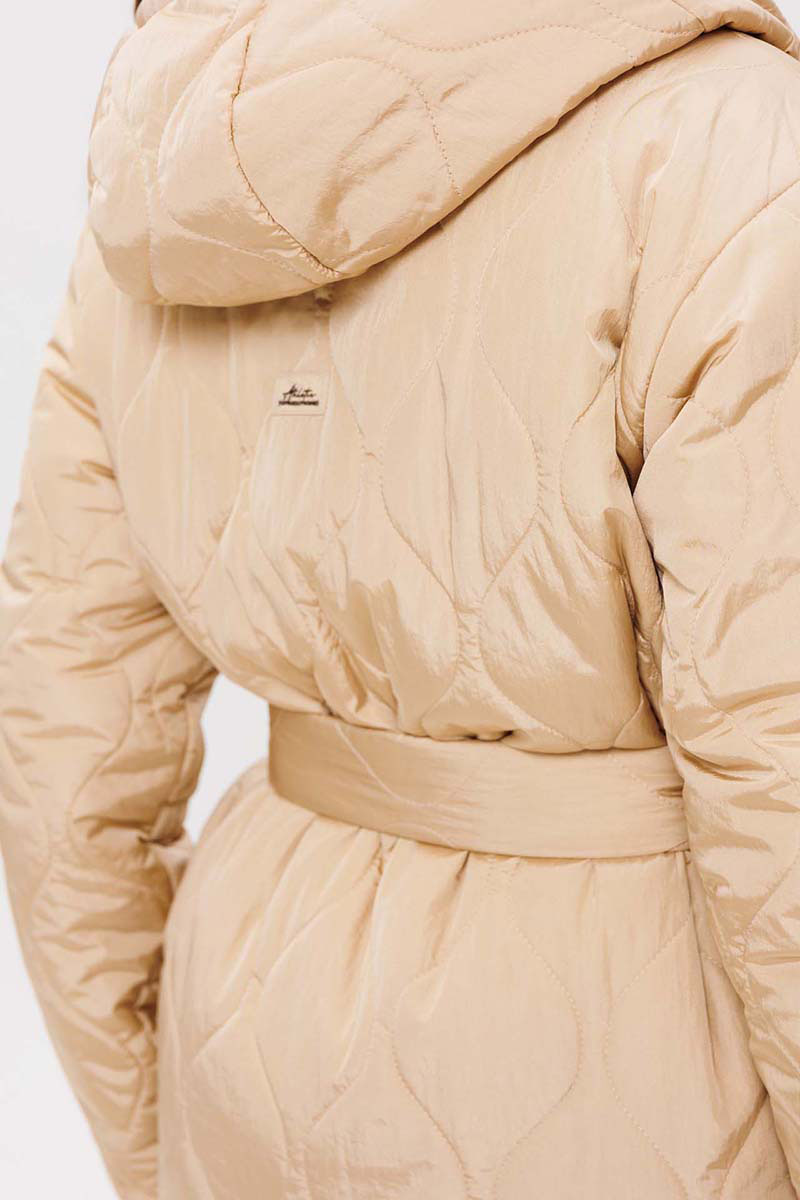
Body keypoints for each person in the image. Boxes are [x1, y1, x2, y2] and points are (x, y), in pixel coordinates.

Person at [2, 0, 800, 1196]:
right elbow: (779, 745)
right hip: (644, 1068)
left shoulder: (174, 157)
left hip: (251, 1022)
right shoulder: (730, 141)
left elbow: (62, 738)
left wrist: (160, 1137)